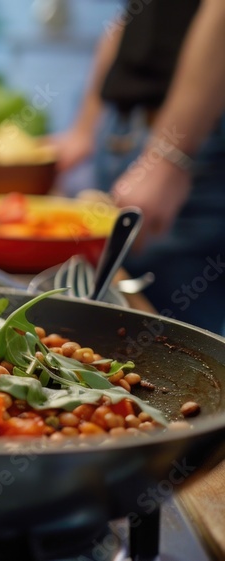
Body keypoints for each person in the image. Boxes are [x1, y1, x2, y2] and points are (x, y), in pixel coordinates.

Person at [54, 0, 225, 334]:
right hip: (125, 128)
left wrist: (169, 155)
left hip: (194, 136)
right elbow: (130, 16)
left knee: (176, 345)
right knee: (110, 324)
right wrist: (85, 129)